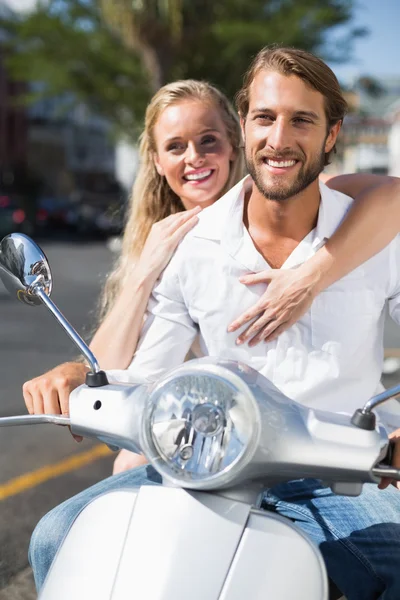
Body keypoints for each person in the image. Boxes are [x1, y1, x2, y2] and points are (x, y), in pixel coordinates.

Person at [26, 49, 400, 598]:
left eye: (302, 119)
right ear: (245, 127)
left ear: (331, 135)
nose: (279, 138)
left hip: (342, 474)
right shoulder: (192, 247)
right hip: (216, 468)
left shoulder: (373, 236)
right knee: (56, 535)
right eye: (266, 118)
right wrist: (78, 383)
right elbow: (142, 372)